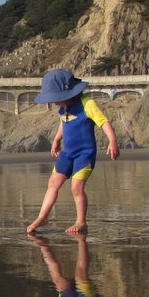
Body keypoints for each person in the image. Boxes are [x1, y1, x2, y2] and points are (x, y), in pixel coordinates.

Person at [26, 69, 119, 235]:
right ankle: (42, 216)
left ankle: (81, 221)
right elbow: (64, 124)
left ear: (68, 93)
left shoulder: (87, 104)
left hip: (84, 154)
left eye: (55, 98)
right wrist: (56, 140)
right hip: (67, 154)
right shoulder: (63, 108)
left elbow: (103, 122)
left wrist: (112, 141)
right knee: (53, 183)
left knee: (76, 188)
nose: (54, 102)